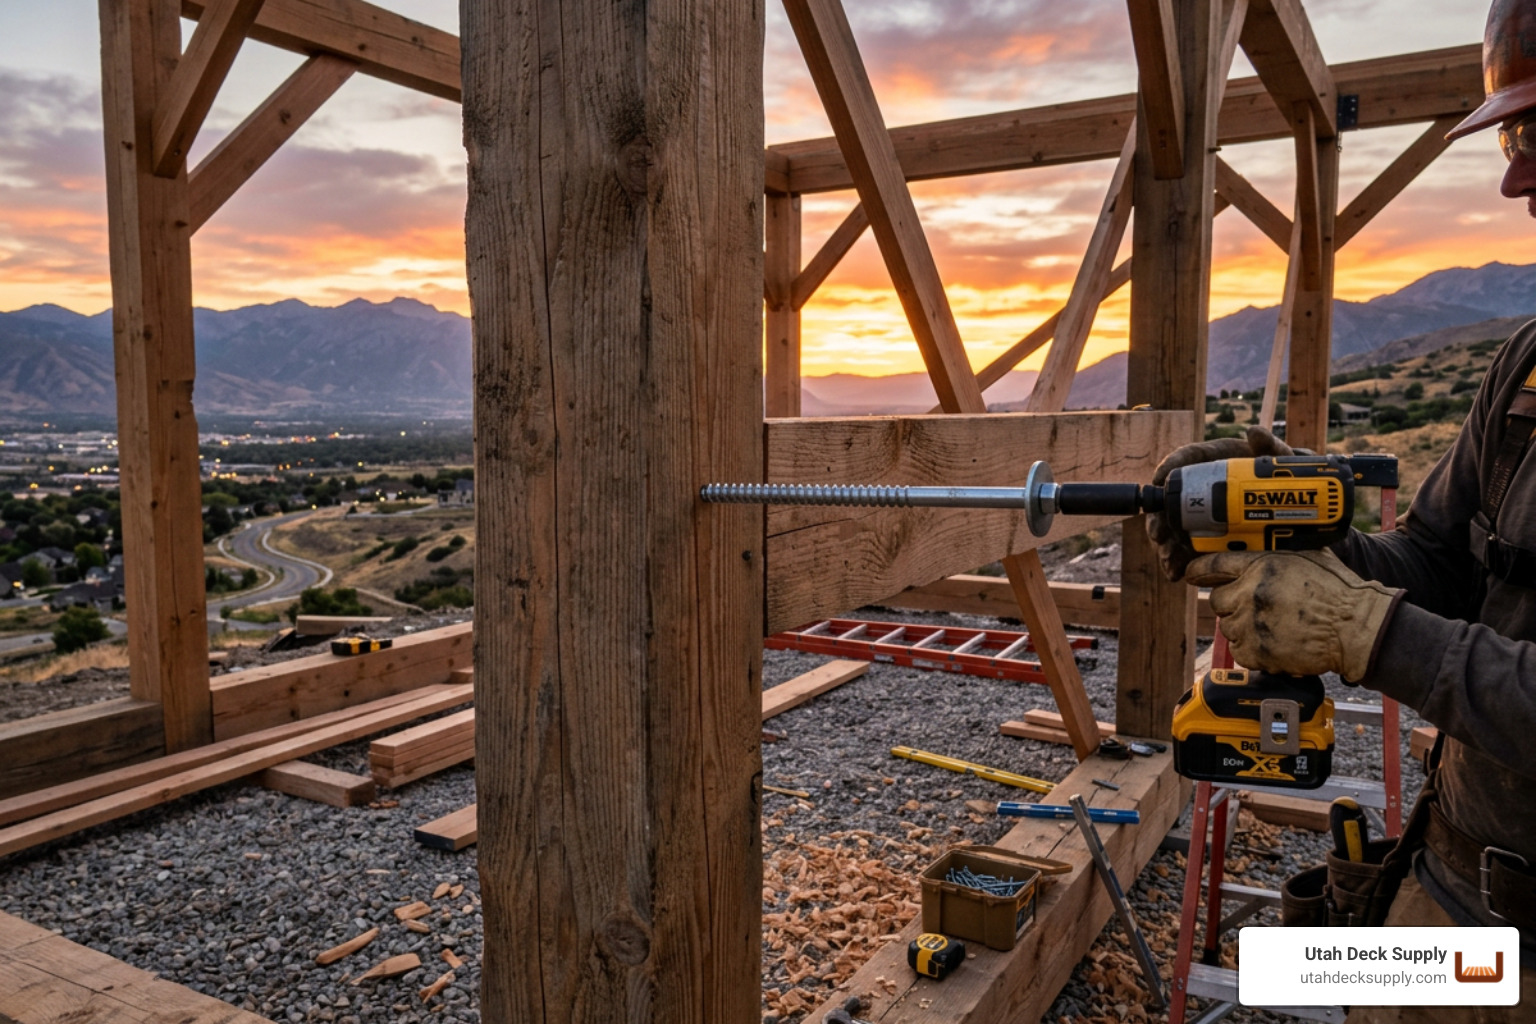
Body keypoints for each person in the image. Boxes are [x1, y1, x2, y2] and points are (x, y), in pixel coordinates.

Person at [1149, 3, 1536, 1019]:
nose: (1516, 179)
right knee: (1306, 978)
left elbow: (1403, 627)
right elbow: (1437, 561)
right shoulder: (1529, 366)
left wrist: (1369, 633)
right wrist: (1308, 532)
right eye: (1513, 139)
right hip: (1450, 903)